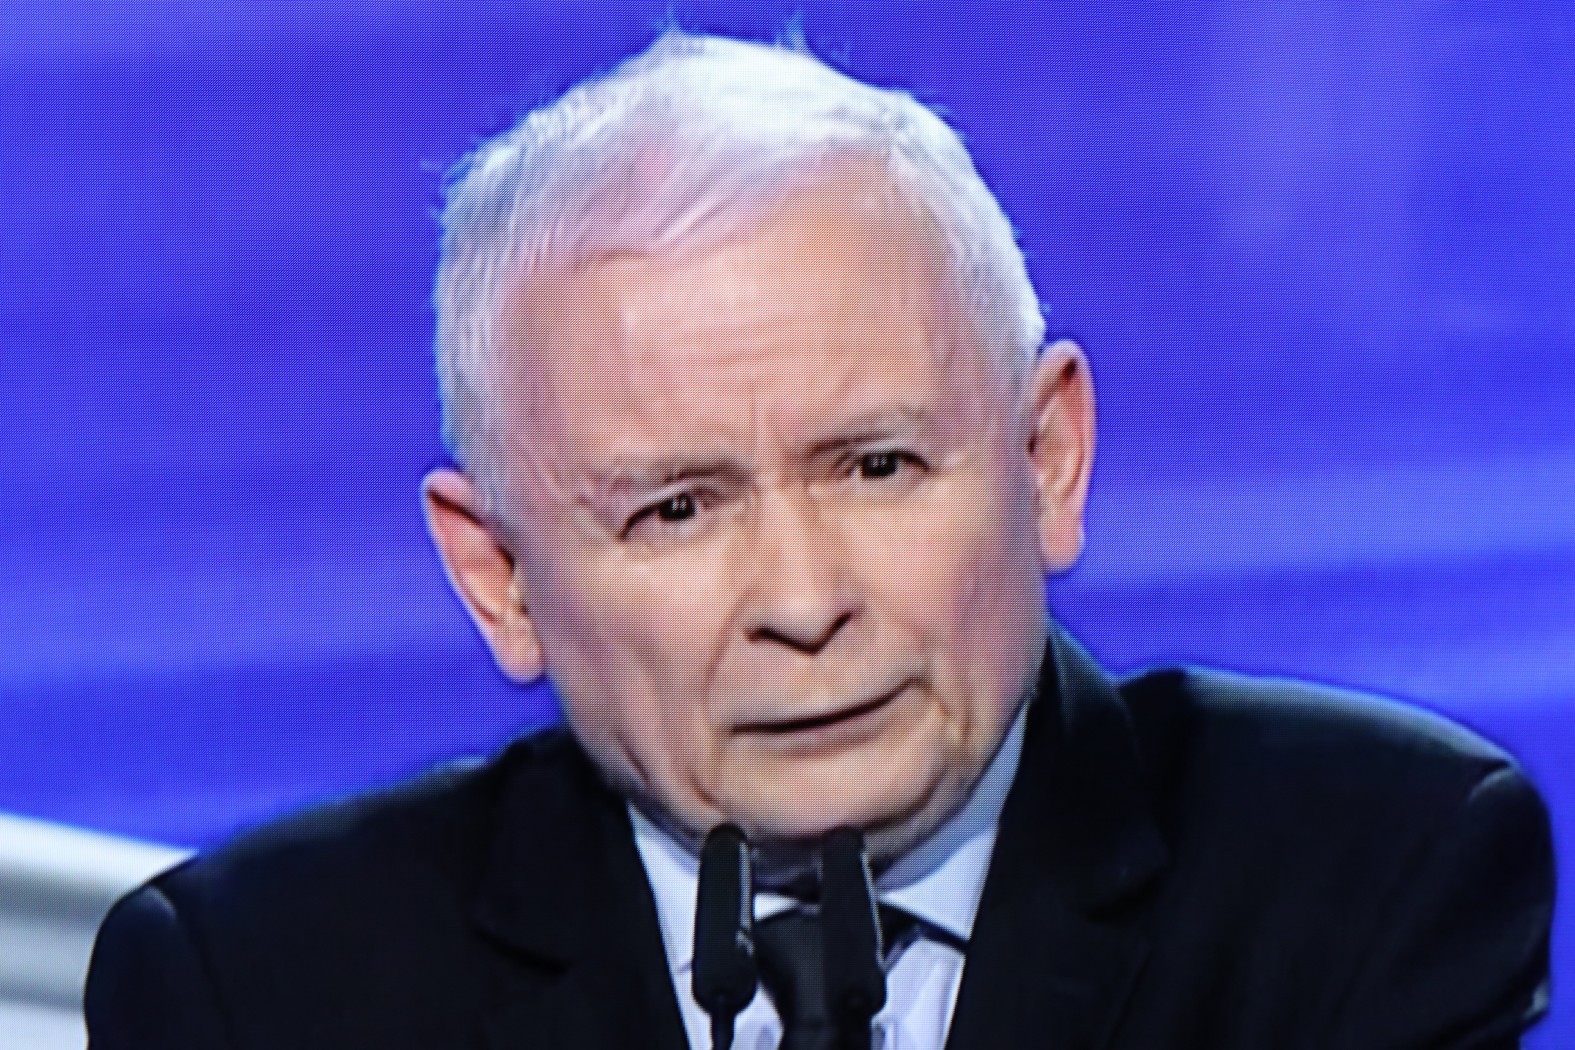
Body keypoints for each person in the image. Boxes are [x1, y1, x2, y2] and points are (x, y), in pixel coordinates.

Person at [85, 31, 1553, 1050]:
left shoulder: (1363, 878)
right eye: (677, 508)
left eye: (876, 466)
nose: (802, 600)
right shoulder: (261, 991)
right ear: (500, 577)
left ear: (1046, 459)